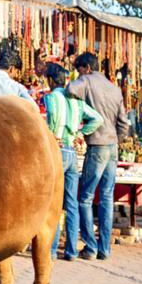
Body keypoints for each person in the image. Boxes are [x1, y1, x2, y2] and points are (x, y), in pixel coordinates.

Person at [66, 52, 130, 261]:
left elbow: (69, 89)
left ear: (85, 68)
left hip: (98, 145)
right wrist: (116, 139)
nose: (78, 74)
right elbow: (123, 123)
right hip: (113, 146)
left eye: (78, 70)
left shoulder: (86, 80)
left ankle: (91, 247)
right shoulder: (113, 87)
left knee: (85, 198)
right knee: (106, 198)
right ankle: (105, 248)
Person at [43, 63, 104, 261]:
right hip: (71, 153)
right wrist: (79, 132)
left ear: (51, 81)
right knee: (71, 204)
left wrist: (50, 134)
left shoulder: (52, 97)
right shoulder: (76, 101)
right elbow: (97, 119)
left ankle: (51, 251)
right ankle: (71, 251)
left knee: (54, 203)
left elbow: (51, 121)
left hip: (57, 151)